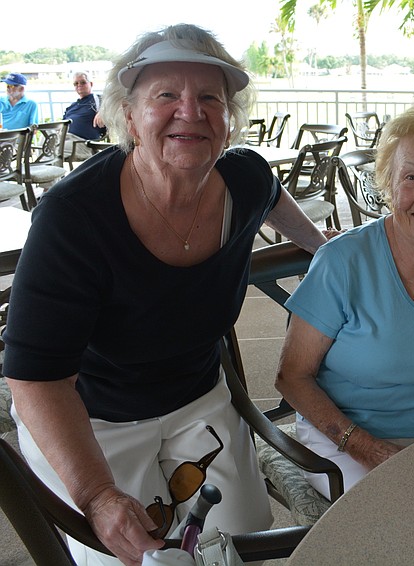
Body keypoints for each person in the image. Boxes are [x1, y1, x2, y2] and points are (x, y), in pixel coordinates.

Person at [3, 24, 331, 566]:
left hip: (197, 396)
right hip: (93, 416)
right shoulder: (73, 217)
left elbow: (272, 196)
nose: (191, 111)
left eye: (210, 98)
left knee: (238, 549)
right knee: (137, 557)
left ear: (229, 120)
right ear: (128, 116)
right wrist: (96, 495)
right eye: (166, 96)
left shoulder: (244, 177)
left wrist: (322, 249)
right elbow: (34, 377)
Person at [276, 103, 414, 499]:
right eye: (412, 177)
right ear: (389, 185)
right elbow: (291, 377)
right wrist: (367, 448)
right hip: (344, 441)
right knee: (399, 514)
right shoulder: (343, 261)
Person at [63, 72, 107, 159]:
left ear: (90, 84)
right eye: (76, 83)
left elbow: (117, 105)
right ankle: (45, 170)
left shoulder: (100, 100)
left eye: (83, 82)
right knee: (45, 140)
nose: (79, 85)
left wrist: (103, 111)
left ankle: (49, 170)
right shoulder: (72, 106)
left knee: (53, 151)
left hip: (82, 143)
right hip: (65, 138)